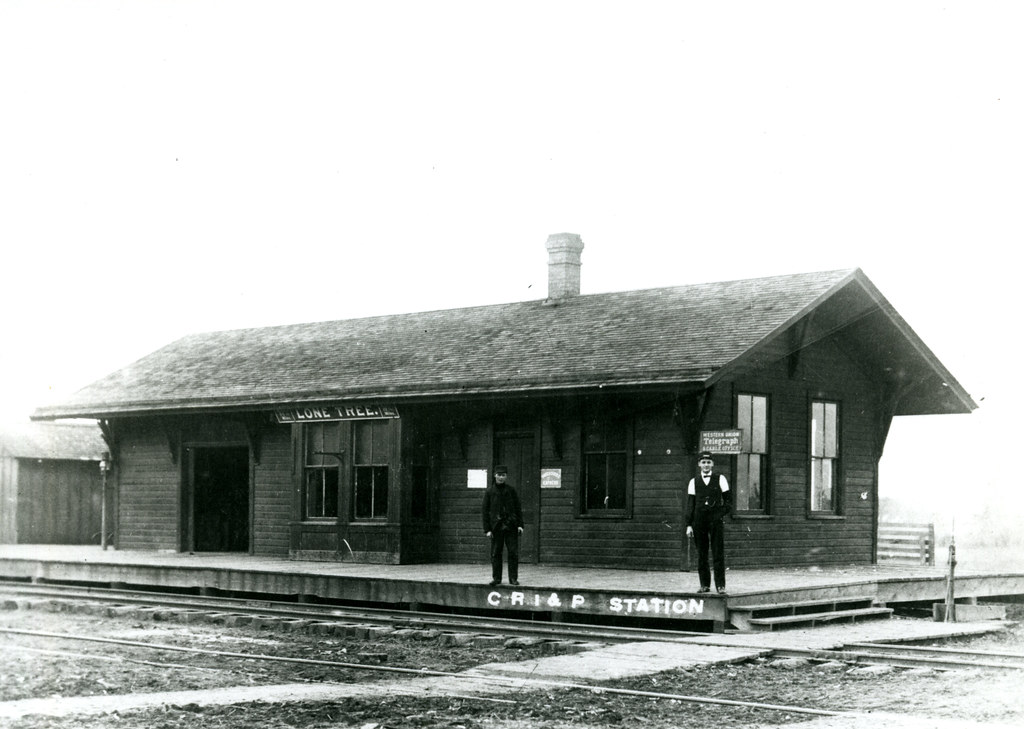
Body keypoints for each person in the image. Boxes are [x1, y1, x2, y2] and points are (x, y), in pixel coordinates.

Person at [685, 451, 732, 594]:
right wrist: (688, 525)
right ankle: (704, 585)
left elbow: (728, 501)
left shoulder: (720, 479)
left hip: (715, 521)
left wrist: (719, 514)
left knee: (718, 552)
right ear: (699, 464)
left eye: (708, 462)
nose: (706, 465)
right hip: (699, 522)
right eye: (703, 462)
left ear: (712, 464)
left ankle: (720, 586)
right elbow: (690, 505)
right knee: (702, 553)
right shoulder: (693, 482)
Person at [482, 465, 524, 586]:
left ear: (506, 476)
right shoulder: (489, 492)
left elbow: (518, 508)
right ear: (495, 475)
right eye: (499, 475)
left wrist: (520, 525)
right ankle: (497, 578)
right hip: (496, 528)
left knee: (513, 553)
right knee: (496, 553)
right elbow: (485, 511)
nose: (501, 477)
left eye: (503, 475)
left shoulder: (511, 491)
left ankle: (513, 578)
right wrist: (487, 529)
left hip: (511, 527)